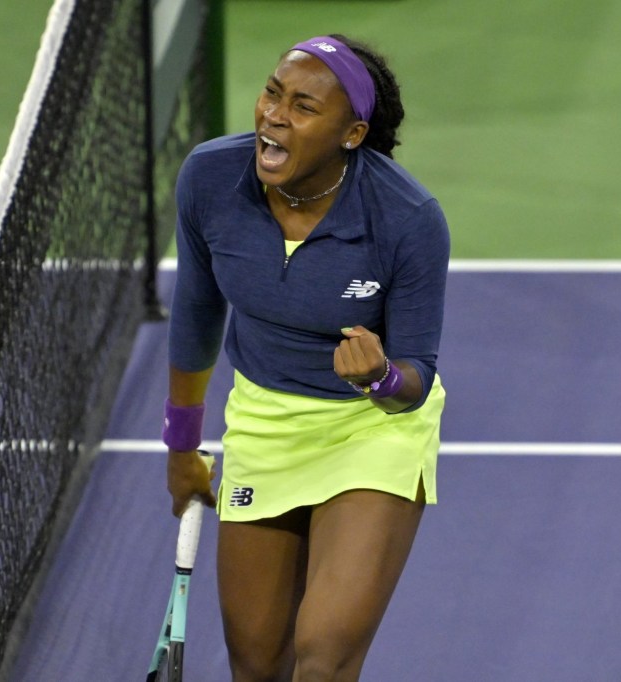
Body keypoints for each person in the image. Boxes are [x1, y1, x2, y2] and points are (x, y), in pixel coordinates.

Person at [162, 33, 450, 681]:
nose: (273, 115)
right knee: (257, 665)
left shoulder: (407, 219)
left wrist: (380, 375)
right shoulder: (210, 178)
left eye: (302, 106)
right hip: (266, 423)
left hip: (371, 432)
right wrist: (181, 445)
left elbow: (416, 376)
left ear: (351, 134)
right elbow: (198, 312)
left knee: (321, 658)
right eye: (271, 92)